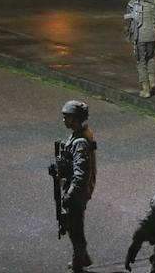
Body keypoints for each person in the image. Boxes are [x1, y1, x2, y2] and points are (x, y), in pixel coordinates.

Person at [58, 100, 97, 273]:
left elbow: (81, 175)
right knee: (75, 227)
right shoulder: (77, 135)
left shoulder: (80, 141)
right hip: (76, 190)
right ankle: (78, 259)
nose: (64, 120)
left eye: (67, 117)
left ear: (75, 118)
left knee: (75, 228)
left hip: (77, 192)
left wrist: (70, 195)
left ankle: (80, 260)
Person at [125, 0, 155, 98]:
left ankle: (146, 89)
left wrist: (128, 33)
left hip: (139, 37)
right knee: (151, 58)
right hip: (152, 36)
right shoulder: (154, 3)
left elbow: (129, 20)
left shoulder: (133, 3)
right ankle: (152, 80)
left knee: (141, 62)